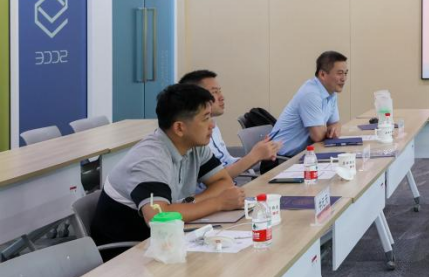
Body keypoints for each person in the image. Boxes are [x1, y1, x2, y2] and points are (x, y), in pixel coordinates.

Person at [90, 84, 245, 259]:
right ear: (179, 128)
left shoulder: (195, 145)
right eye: (205, 118)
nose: (212, 125)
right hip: (126, 253)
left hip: (166, 242)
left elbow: (223, 182)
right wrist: (218, 203)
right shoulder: (150, 159)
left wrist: (190, 203)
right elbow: (158, 217)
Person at [179, 70, 280, 181]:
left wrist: (260, 153)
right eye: (214, 92)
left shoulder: (212, 125)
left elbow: (226, 163)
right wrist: (254, 156)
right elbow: (215, 178)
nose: (222, 97)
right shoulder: (192, 135)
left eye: (220, 91)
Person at [269, 51, 348, 163]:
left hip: (302, 156)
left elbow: (335, 123)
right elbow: (318, 136)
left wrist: (333, 128)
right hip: (278, 161)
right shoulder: (310, 93)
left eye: (345, 73)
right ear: (322, 74)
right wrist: (329, 130)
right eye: (339, 73)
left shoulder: (331, 92)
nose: (344, 78)